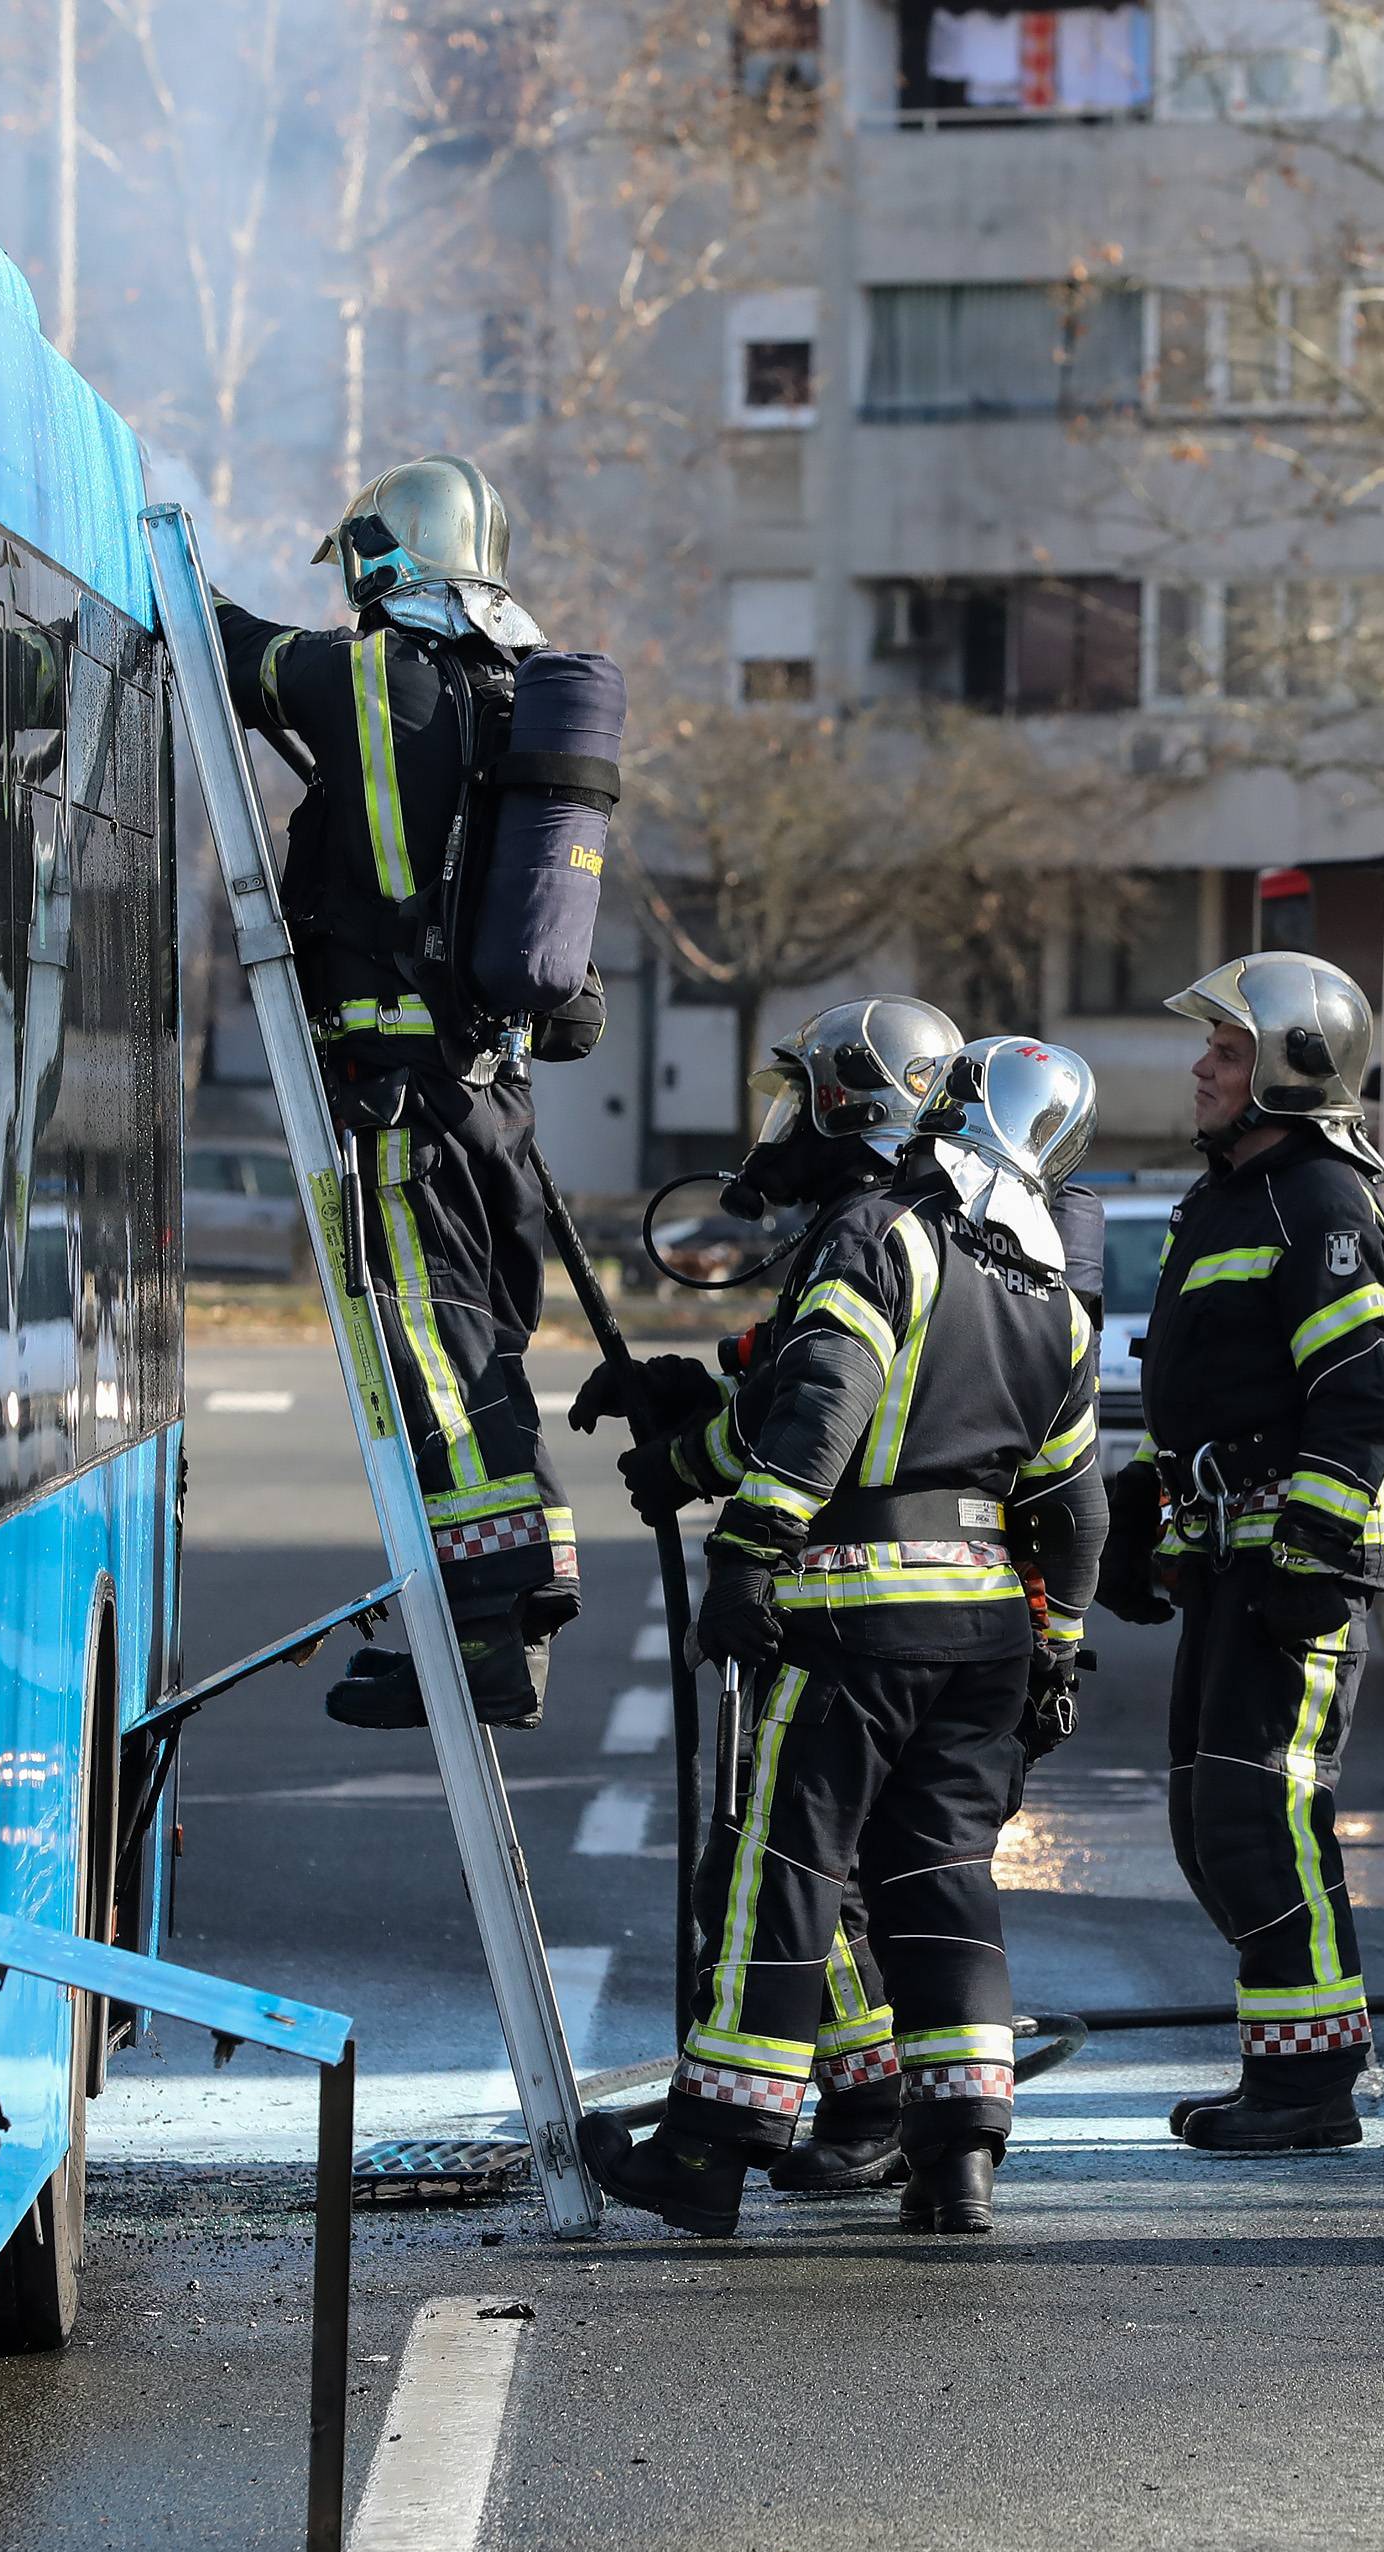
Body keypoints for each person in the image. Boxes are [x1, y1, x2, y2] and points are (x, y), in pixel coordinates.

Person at [578, 1027, 1106, 2238]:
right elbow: (1075, 1507)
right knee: (941, 1882)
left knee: (783, 1873)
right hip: (986, 1638)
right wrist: (1060, 1648)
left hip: (854, 1615)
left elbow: (825, 1405)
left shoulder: (884, 1238)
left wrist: (750, 1547)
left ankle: (709, 2150)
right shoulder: (1043, 1292)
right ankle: (958, 2158)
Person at [213, 456, 603, 1731]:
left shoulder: (372, 675)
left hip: (400, 1095)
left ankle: (487, 1625)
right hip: (491, 1095)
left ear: (389, 558)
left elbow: (237, 651)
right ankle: (506, 1615)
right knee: (480, 1337)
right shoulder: (513, 696)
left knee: (428, 1339)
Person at [1095, 950, 1384, 2155]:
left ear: (1290, 1064)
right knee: (1206, 1820)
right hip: (1234, 1551)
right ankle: (1287, 2065)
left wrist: (1315, 1551)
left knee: (1262, 1817)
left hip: (1298, 1566)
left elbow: (1359, 1402)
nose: (1201, 1069)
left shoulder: (1321, 1202)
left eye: (1226, 1051)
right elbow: (1219, 1393)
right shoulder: (1228, 1198)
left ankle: (1312, 2086)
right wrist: (1148, 1508)